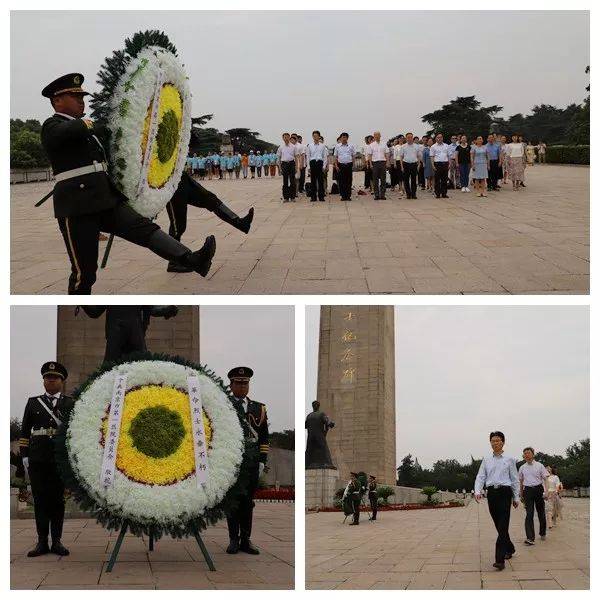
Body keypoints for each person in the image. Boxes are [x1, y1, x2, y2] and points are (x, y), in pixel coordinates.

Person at [40, 73, 216, 294]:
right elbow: (73, 130)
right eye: (75, 97)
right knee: (85, 271)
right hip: (77, 206)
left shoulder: (88, 130)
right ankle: (81, 302)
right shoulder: (51, 125)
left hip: (105, 198)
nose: (81, 100)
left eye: (82, 97)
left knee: (145, 230)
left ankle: (191, 259)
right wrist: (94, 122)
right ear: (57, 101)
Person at [19, 362, 73, 557]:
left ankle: (57, 541)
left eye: (55, 378)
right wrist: (24, 456)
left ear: (62, 381)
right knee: (40, 501)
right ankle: (42, 542)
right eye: (47, 377)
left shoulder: (69, 403)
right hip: (38, 458)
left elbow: (74, 433)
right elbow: (25, 432)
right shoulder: (33, 403)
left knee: (58, 501)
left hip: (59, 459)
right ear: (43, 381)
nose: (51, 380)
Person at [165, 172, 254, 272]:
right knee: (178, 225)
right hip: (169, 183)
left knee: (210, 199)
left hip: (182, 177)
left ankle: (240, 223)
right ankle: (173, 262)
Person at [225, 367, 269, 555]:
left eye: (246, 384)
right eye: (239, 383)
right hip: (232, 461)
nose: (242, 387)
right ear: (231, 385)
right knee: (233, 501)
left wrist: (262, 461)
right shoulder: (223, 405)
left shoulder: (259, 408)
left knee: (248, 502)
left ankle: (246, 539)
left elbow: (264, 437)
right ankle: (233, 539)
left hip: (251, 463)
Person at [474, 431, 520, 570]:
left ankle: (500, 560)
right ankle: (510, 547)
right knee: (498, 524)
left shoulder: (510, 459)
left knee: (503, 524)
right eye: (492, 441)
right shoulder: (486, 459)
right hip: (492, 493)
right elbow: (481, 476)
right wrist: (477, 491)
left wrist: (516, 496)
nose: (495, 443)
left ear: (503, 442)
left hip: (505, 492)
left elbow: (515, 479)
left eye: (498, 440)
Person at [80, 305, 178, 361]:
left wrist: (167, 309)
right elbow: (95, 312)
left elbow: (152, 309)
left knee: (141, 369)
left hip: (134, 336)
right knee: (109, 370)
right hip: (116, 337)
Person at [518, 447, 548, 545]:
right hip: (527, 491)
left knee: (541, 513)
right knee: (529, 513)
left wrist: (546, 492)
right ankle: (530, 538)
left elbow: (546, 479)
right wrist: (521, 494)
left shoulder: (540, 465)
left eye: (528, 453)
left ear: (533, 454)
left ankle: (542, 532)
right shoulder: (522, 467)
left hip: (538, 489)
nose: (526, 455)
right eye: (525, 453)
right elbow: (521, 482)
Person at [366, 131, 389, 200]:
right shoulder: (371, 145)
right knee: (375, 179)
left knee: (383, 179)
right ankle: (376, 194)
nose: (377, 136)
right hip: (375, 163)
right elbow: (369, 155)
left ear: (380, 136)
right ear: (374, 136)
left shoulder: (384, 144)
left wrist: (387, 162)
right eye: (375, 135)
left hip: (383, 162)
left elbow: (387, 153)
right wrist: (370, 164)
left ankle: (382, 194)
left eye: (378, 135)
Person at [306, 130, 328, 202]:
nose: (315, 137)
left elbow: (325, 157)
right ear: (312, 136)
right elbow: (308, 157)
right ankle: (313, 197)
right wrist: (308, 167)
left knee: (320, 181)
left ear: (319, 136)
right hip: (312, 163)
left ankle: (321, 197)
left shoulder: (323, 146)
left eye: (316, 136)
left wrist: (324, 166)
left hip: (320, 163)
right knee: (313, 181)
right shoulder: (310, 145)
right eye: (314, 136)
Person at [399, 132, 421, 199]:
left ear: (412, 138)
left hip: (414, 164)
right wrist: (402, 166)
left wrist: (419, 164)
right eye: (408, 137)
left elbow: (419, 156)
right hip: (406, 164)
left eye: (411, 137)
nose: (409, 138)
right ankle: (408, 194)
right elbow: (401, 157)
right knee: (406, 180)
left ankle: (413, 194)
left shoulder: (417, 146)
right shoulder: (403, 146)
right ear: (406, 138)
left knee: (414, 180)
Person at [429, 133, 452, 198]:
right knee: (437, 180)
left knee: (444, 180)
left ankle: (444, 193)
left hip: (445, 164)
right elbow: (432, 157)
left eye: (441, 137)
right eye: (438, 137)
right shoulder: (433, 147)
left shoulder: (446, 146)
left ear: (442, 138)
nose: (439, 138)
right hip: (437, 164)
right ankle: (438, 193)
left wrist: (449, 164)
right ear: (436, 138)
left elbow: (449, 156)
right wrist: (433, 165)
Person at [334, 132, 355, 201]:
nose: (344, 139)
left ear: (347, 138)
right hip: (340, 165)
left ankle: (348, 196)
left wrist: (353, 165)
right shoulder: (337, 146)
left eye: (345, 137)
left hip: (349, 164)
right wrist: (336, 165)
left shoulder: (351, 146)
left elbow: (353, 156)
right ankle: (343, 196)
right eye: (342, 137)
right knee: (341, 181)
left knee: (349, 181)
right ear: (341, 138)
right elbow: (335, 157)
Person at [277, 132, 297, 202]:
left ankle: (293, 197)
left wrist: (296, 167)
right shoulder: (280, 147)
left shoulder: (294, 147)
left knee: (292, 181)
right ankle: (286, 197)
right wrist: (279, 168)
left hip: (291, 164)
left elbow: (296, 157)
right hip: (284, 164)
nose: (286, 138)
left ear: (289, 138)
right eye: (284, 137)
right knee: (285, 181)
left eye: (287, 137)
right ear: (283, 138)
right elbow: (279, 158)